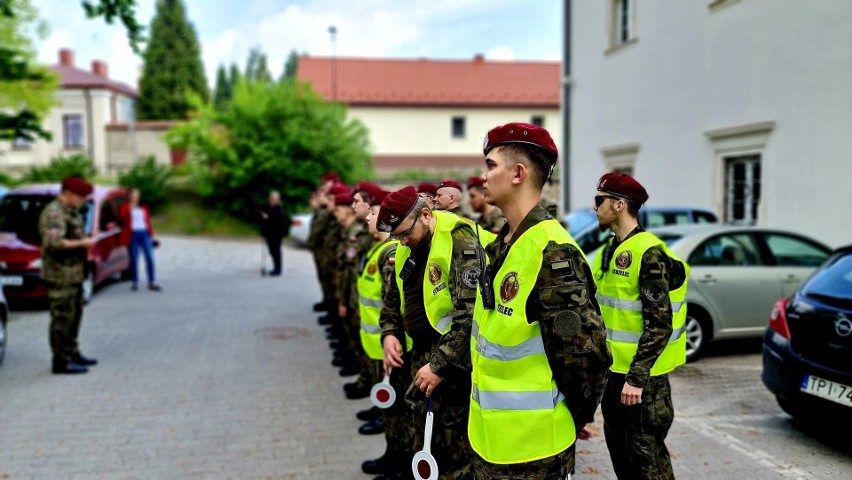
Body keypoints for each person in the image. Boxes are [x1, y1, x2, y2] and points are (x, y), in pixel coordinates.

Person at [467, 123, 611, 479]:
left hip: (533, 452)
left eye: (490, 166)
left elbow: (584, 355)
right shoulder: (505, 244)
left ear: (518, 173)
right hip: (491, 441)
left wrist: (575, 415)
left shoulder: (552, 252)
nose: (483, 176)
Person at [377, 186, 484, 480]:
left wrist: (439, 366)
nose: (400, 242)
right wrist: (389, 333)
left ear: (426, 215)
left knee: (453, 450)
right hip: (421, 356)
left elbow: (470, 315)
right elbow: (394, 296)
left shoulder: (461, 241)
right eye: (395, 236)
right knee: (423, 439)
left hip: (454, 363)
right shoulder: (407, 244)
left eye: (402, 234)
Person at [591, 172, 689, 480]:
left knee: (649, 465)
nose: (595, 208)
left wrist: (636, 378)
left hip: (641, 385)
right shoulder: (611, 249)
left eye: (600, 201)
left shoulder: (649, 253)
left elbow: (659, 324)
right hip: (613, 375)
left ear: (619, 205)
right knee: (622, 460)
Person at [355, 183, 414, 479]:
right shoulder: (381, 248)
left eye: (369, 210)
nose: (365, 217)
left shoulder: (392, 251)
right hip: (380, 342)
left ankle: (400, 465)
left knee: (397, 412)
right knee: (390, 411)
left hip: (392, 349)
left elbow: (395, 302)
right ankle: (393, 456)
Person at [39, 176, 99, 374]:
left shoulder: (71, 211)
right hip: (60, 275)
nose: (83, 200)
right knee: (62, 319)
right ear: (69, 194)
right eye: (81, 196)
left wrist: (85, 239)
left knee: (74, 317)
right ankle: (61, 361)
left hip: (74, 274)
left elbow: (72, 236)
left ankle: (72, 352)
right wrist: (83, 244)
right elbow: (54, 243)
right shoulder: (54, 213)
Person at [118, 188, 161, 291]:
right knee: (134, 258)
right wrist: (130, 207)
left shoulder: (143, 207)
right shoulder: (124, 207)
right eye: (133, 195)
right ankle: (135, 282)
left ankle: (152, 282)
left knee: (149, 257)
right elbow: (122, 218)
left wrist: (152, 235)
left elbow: (148, 222)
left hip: (144, 233)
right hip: (133, 234)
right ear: (129, 196)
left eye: (137, 195)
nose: (135, 197)